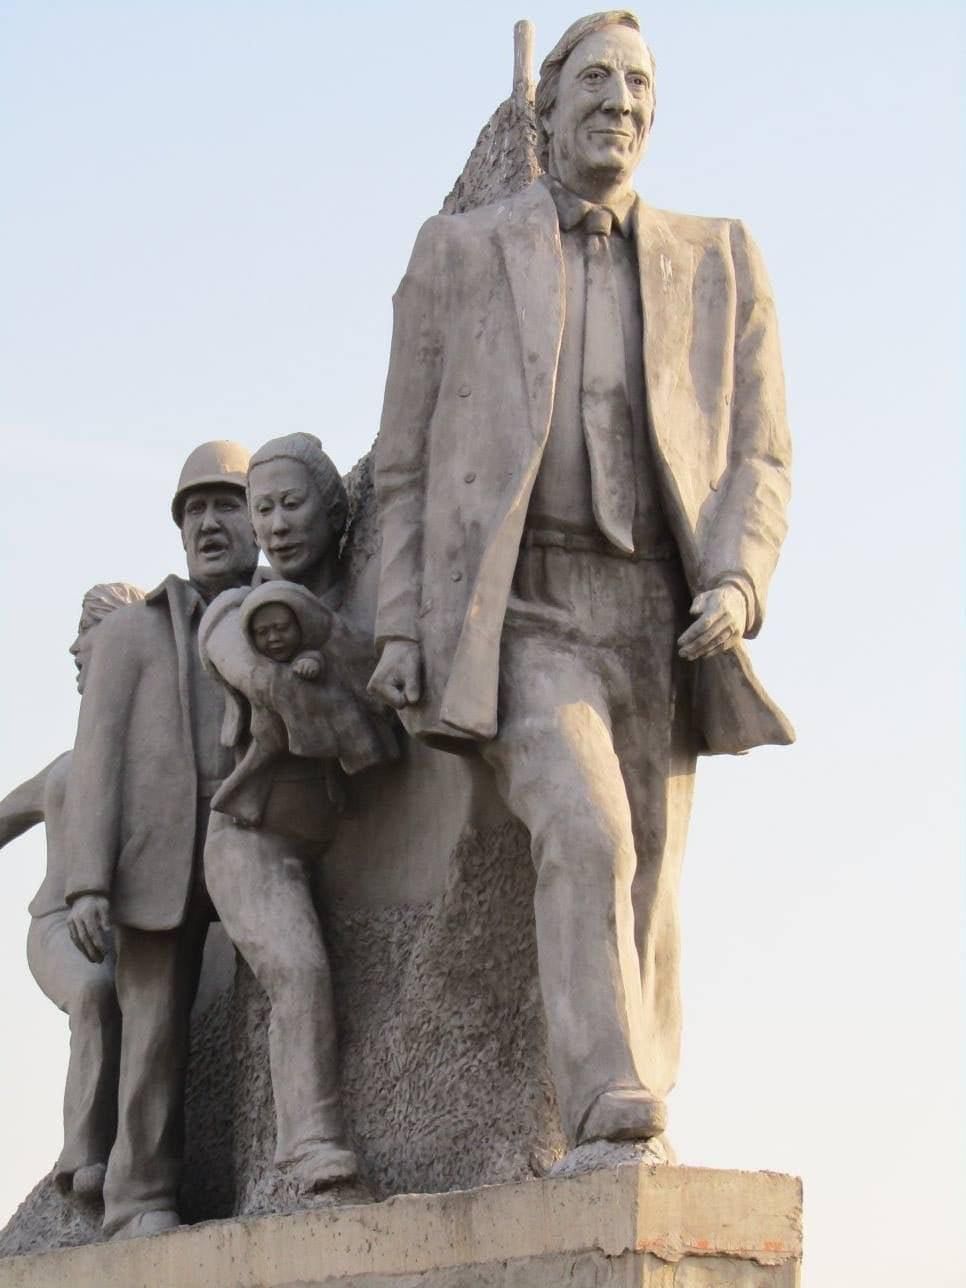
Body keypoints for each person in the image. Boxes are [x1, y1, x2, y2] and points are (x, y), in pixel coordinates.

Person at [368, 11, 793, 1153]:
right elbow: (403, 464)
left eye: (640, 83)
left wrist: (740, 579)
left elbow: (760, 452)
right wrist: (404, 629)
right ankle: (605, 1091)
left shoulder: (720, 258)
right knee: (589, 828)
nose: (621, 99)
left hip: (661, 611)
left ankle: (640, 1117)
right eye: (596, 79)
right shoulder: (458, 253)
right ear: (544, 111)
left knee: (652, 884)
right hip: (526, 605)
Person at [64, 441, 259, 1238]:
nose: (209, 524)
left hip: (259, 831)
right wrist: (88, 882)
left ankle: (287, 1162)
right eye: (195, 512)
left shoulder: (288, 606)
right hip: (159, 851)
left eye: (226, 505)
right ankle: (139, 1197)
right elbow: (96, 763)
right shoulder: (130, 637)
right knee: (150, 1026)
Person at [202, 434, 397, 1195]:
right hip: (252, 840)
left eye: (292, 504)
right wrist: (275, 680)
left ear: (334, 508)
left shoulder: (360, 614)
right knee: (298, 969)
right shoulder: (238, 610)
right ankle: (309, 1146)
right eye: (263, 510)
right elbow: (239, 657)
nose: (277, 524)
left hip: (337, 840)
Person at [0, 582, 142, 1200]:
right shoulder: (64, 768)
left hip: (130, 926)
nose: (73, 647)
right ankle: (81, 1155)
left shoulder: (156, 764)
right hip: (59, 927)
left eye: (87, 629)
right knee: (93, 990)